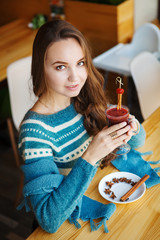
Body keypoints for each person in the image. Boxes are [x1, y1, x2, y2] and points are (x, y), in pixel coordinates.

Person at [18, 19, 145, 233]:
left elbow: (138, 142)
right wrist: (91, 156)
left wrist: (130, 125)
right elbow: (49, 219)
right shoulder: (34, 132)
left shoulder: (83, 98)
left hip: (97, 201)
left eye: (80, 63)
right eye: (60, 67)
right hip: (70, 224)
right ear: (41, 68)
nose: (75, 77)